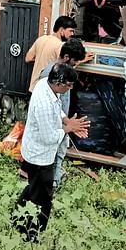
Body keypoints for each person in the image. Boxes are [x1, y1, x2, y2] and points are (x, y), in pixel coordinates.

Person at [14, 63, 89, 241]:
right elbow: (49, 137)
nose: (70, 88)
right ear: (59, 83)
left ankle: (16, 218)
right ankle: (33, 235)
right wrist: (68, 129)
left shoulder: (44, 85)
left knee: (33, 188)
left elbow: (58, 109)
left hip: (34, 150)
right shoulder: (43, 104)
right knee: (44, 198)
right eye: (69, 85)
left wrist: (65, 120)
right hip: (40, 156)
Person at [37, 39, 87, 187]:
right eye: (74, 61)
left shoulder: (60, 71)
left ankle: (53, 180)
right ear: (66, 57)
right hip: (54, 124)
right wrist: (66, 125)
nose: (75, 64)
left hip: (62, 120)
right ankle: (52, 183)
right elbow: (51, 106)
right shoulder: (51, 76)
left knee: (59, 152)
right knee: (54, 153)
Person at [25, 16, 79, 92]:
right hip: (46, 89)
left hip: (34, 88)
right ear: (61, 30)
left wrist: (41, 59)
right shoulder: (61, 45)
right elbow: (66, 67)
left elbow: (28, 58)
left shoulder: (41, 39)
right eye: (70, 31)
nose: (72, 34)